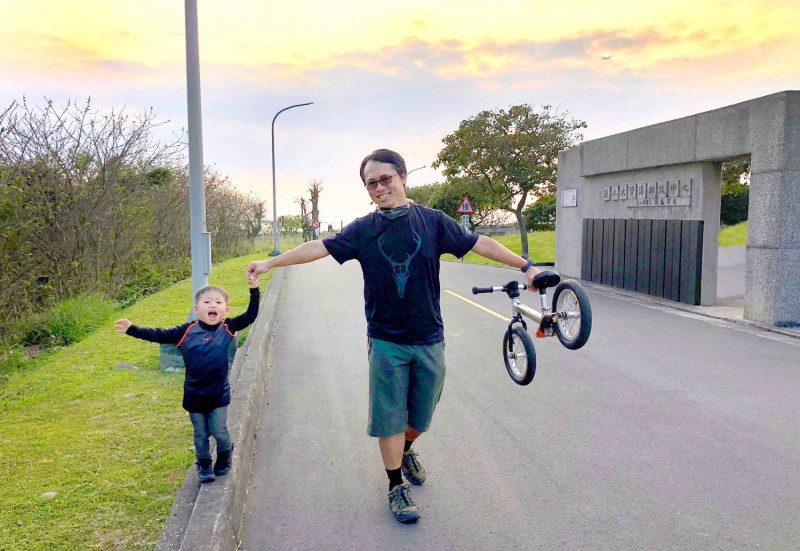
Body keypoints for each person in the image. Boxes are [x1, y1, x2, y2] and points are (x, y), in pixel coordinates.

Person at [245, 148, 540, 523]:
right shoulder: (364, 230)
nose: (380, 187)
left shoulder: (434, 222)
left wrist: (526, 265)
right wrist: (271, 261)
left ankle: (407, 447)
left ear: (402, 177)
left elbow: (479, 242)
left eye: (386, 179)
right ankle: (394, 484)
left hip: (430, 336)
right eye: (372, 183)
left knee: (421, 415)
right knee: (388, 418)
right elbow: (317, 247)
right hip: (386, 340)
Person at [114, 279, 261, 483]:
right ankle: (203, 464)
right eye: (207, 302)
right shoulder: (185, 332)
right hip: (194, 395)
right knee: (200, 434)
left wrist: (254, 289)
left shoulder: (228, 327)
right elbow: (158, 335)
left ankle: (225, 454)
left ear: (225, 310)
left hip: (219, 393)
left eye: (218, 303)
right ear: (196, 309)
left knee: (219, 430)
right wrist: (132, 328)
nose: (212, 305)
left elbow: (251, 315)